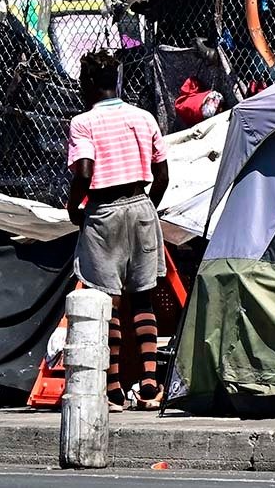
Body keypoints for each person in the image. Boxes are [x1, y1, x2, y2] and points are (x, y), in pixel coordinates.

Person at [66, 50, 170, 412]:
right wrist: (147, 209)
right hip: (141, 205)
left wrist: (73, 208)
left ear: (91, 84)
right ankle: (150, 386)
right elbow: (162, 173)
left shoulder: (83, 123)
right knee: (143, 299)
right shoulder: (143, 118)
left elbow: (83, 171)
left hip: (104, 211)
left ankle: (112, 391)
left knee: (106, 302)